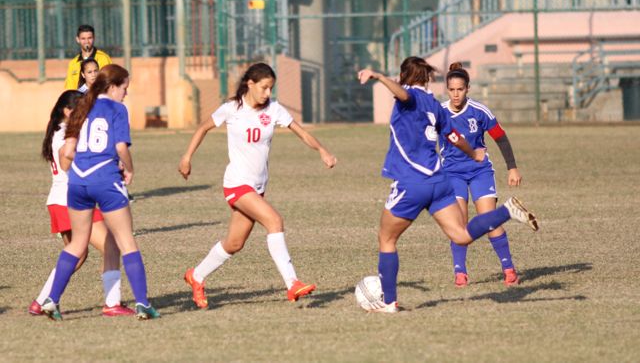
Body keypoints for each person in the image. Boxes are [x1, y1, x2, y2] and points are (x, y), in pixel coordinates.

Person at [357, 57, 538, 313]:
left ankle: (388, 302)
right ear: (427, 78)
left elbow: (402, 94)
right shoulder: (436, 106)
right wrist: (474, 153)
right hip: (439, 181)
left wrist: (377, 76)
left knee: (386, 239)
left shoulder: (409, 96)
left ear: (403, 77)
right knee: (461, 236)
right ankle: (506, 211)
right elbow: (454, 136)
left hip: (412, 181)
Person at [178, 62, 337, 309]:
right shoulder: (232, 109)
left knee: (234, 244)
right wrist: (187, 157)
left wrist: (322, 150)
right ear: (250, 84)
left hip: (258, 186)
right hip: (237, 184)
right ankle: (292, 283)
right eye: (263, 88)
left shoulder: (274, 110)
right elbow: (203, 128)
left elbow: (301, 132)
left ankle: (196, 276)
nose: (267, 94)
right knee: (274, 221)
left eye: (270, 88)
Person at [40, 65, 160, 321]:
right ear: (112, 86)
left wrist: (81, 166)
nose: (125, 94)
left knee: (77, 243)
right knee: (126, 241)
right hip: (105, 180)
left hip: (78, 183)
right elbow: (120, 147)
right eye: (124, 88)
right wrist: (128, 168)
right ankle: (142, 303)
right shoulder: (117, 109)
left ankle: (52, 300)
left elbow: (68, 152)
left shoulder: (82, 108)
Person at [29, 90, 133, 317]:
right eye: (81, 108)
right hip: (70, 200)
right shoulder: (66, 132)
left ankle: (42, 301)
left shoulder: (58, 130)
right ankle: (112, 303)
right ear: (67, 111)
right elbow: (67, 155)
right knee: (111, 246)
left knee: (76, 253)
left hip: (58, 201)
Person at [440, 62, 524, 287]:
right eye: (452, 89)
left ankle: (508, 269)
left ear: (467, 88)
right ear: (447, 90)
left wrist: (512, 167)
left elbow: (500, 137)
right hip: (451, 173)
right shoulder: (439, 113)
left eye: (460, 89)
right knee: (459, 223)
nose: (456, 94)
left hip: (480, 171)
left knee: (489, 221)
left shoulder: (479, 111)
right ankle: (460, 272)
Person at [63, 25, 112, 91]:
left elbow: (110, 83)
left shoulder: (104, 59)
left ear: (94, 38)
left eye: (89, 38)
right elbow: (70, 89)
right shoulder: (73, 63)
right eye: (83, 39)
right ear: (77, 39)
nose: (87, 41)